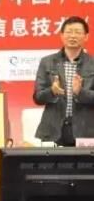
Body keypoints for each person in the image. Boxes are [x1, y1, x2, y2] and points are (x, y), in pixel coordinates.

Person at [33, 16, 94, 146]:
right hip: (53, 130)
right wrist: (52, 91)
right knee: (52, 160)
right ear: (61, 35)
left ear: (86, 36)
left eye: (77, 32)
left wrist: (81, 92)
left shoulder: (92, 63)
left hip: (86, 131)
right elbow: (38, 97)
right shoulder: (47, 62)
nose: (73, 36)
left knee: (85, 160)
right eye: (69, 32)